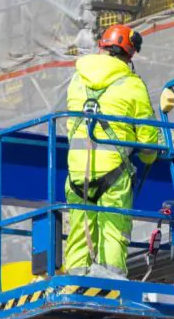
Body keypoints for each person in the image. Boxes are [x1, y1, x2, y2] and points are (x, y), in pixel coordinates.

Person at [60, 23, 166, 275]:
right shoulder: (132, 85)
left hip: (77, 170)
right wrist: (150, 156)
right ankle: (112, 280)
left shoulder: (77, 79)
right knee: (113, 228)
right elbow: (148, 140)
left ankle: (76, 277)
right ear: (129, 55)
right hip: (113, 172)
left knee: (79, 227)